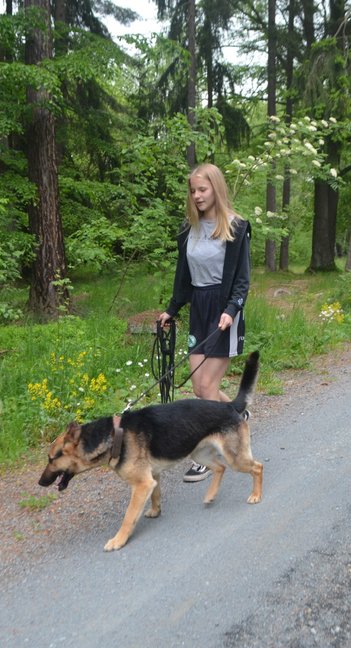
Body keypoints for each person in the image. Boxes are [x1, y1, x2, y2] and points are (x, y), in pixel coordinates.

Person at [156, 163, 252, 482]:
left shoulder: (237, 227)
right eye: (193, 190)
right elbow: (183, 277)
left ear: (216, 189)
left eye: (202, 189)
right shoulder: (188, 230)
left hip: (224, 311)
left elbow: (242, 280)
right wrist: (172, 310)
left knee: (208, 385)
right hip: (199, 307)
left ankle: (208, 455)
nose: (196, 196)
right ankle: (236, 415)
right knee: (199, 386)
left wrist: (231, 309)